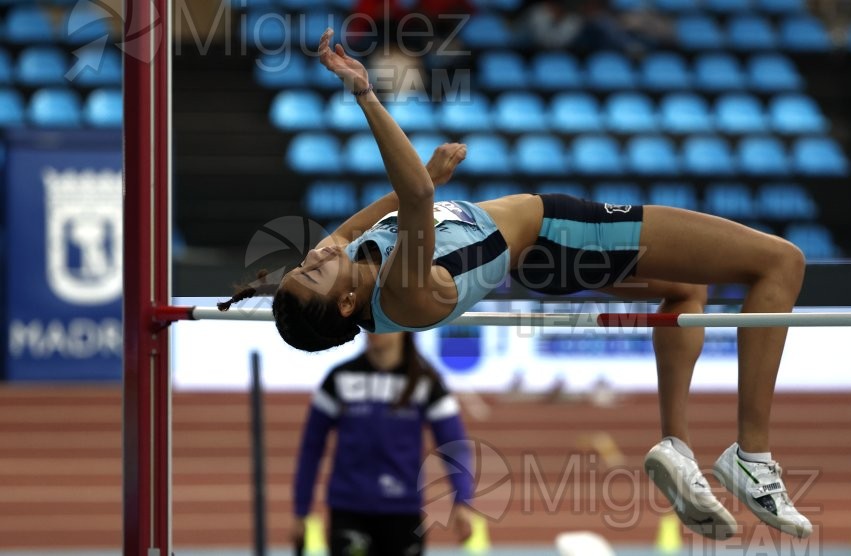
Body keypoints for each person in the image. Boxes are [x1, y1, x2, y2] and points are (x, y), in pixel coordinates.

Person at [221, 28, 812, 541]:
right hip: (559, 233)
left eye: (303, 264)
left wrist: (423, 176)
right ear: (347, 302)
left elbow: (385, 210)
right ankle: (752, 455)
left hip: (533, 260)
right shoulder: (399, 293)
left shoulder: (346, 260)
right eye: (313, 272)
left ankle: (676, 447)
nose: (314, 255)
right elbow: (417, 200)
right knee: (780, 263)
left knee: (685, 291)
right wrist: (364, 92)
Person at [292, 331, 474, 555]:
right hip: (348, 510)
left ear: (404, 326)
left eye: (383, 321)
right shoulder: (340, 377)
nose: (373, 328)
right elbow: (312, 445)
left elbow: (454, 444)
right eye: (369, 321)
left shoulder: (426, 381)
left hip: (403, 512)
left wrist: (463, 500)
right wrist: (301, 510)